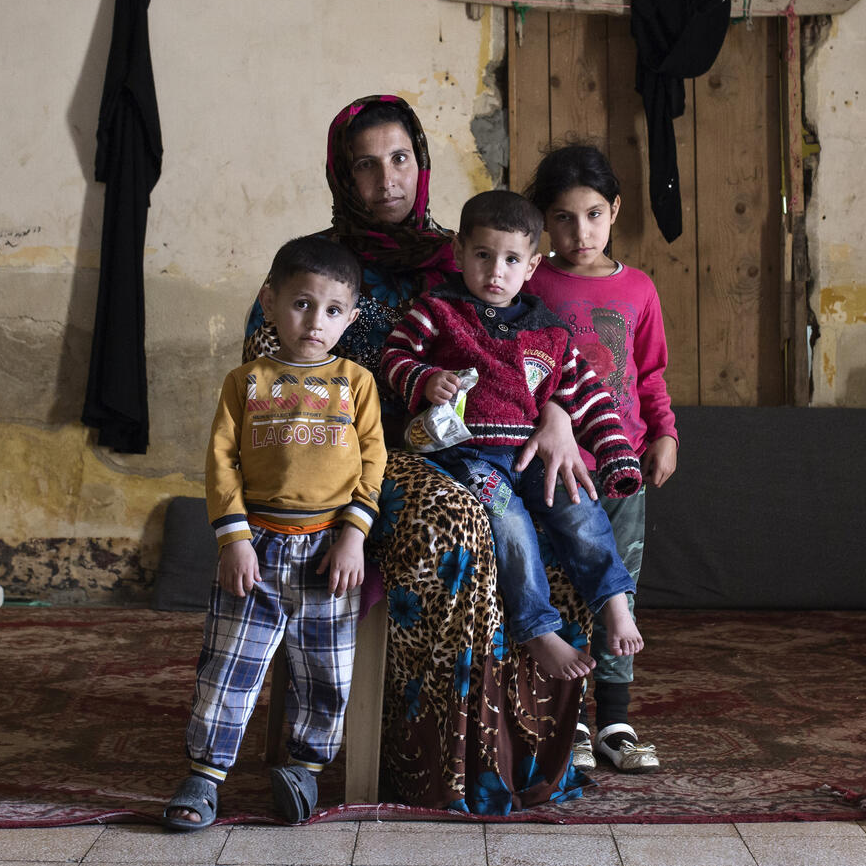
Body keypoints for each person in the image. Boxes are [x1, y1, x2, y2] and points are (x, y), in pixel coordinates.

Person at [245, 95, 597, 813]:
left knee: (561, 501)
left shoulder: (469, 253)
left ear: (422, 162)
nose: (387, 179)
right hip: (352, 457)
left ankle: (531, 752)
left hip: (479, 445)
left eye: (400, 158)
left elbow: (541, 349)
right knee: (454, 518)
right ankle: (436, 766)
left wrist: (557, 413)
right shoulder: (312, 268)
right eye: (366, 165)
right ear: (343, 176)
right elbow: (262, 375)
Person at [164, 235, 386, 830]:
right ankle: (205, 775)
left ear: (352, 316)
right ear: (270, 300)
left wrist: (354, 536)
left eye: (334, 310)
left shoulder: (356, 384)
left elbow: (373, 465)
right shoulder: (246, 383)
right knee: (229, 664)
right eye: (302, 304)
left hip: (329, 554)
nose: (316, 321)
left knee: (327, 670)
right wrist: (233, 540)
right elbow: (221, 464)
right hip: (255, 549)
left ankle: (304, 773)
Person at [381, 189, 645, 684]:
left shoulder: (546, 329)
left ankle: (613, 601)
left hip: (528, 453)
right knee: (512, 524)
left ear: (531, 265)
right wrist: (422, 378)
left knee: (579, 506)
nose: (495, 271)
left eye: (510, 259)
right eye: (482, 255)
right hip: (469, 457)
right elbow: (394, 354)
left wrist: (616, 457)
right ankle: (538, 628)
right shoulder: (439, 310)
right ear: (460, 252)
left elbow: (588, 396)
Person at [525, 142, 679, 774]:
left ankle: (615, 717)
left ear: (615, 211)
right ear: (543, 221)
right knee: (564, 590)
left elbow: (650, 374)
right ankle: (574, 721)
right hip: (555, 472)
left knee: (620, 591)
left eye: (592, 214)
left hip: (624, 471)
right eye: (562, 217)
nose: (579, 231)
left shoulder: (638, 289)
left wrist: (666, 434)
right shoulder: (530, 282)